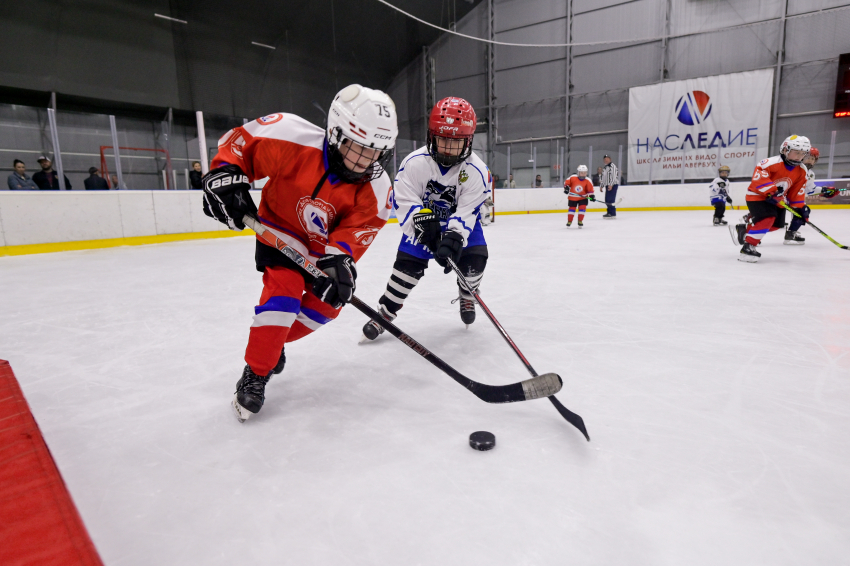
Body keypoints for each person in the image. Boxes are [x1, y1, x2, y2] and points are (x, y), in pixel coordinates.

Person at [201, 84, 398, 421]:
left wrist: (340, 263)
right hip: (279, 233)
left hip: (322, 252)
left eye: (375, 152)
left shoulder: (378, 190)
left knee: (327, 307)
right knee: (284, 297)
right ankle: (257, 372)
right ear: (335, 133)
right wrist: (225, 174)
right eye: (357, 147)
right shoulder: (290, 135)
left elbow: (352, 236)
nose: (365, 160)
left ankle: (271, 343)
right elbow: (239, 147)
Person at [361, 96, 491, 342]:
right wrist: (421, 222)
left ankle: (467, 293)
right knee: (405, 270)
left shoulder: (477, 171)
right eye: (443, 140)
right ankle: (385, 312)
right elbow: (404, 199)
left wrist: (454, 237)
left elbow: (467, 211)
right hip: (422, 222)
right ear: (432, 136)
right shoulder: (414, 164)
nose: (448, 148)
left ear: (469, 141)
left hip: (459, 223)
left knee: (476, 260)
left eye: (456, 142)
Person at [730, 135, 809, 263]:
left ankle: (745, 228)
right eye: (796, 152)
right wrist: (772, 191)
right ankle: (748, 247)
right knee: (768, 218)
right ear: (785, 150)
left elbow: (796, 192)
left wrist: (799, 208)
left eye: (802, 153)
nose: (799, 156)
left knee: (776, 225)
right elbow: (758, 178)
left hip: (778, 200)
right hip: (757, 196)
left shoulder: (802, 171)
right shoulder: (770, 163)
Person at [783, 147, 838, 245]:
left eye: (813, 159)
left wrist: (824, 190)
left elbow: (809, 189)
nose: (810, 160)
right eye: (808, 157)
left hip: (794, 199)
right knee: (771, 220)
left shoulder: (810, 174)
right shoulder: (794, 168)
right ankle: (754, 232)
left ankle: (791, 234)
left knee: (803, 211)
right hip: (782, 196)